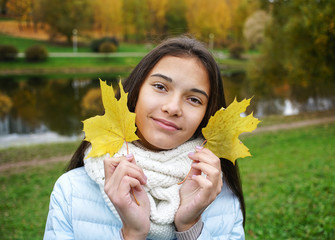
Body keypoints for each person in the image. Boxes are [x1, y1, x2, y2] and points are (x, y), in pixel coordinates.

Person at [44, 36, 246, 240]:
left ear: (207, 114)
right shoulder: (71, 191)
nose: (173, 108)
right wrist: (133, 234)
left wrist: (190, 227)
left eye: (194, 99)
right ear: (137, 90)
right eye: (160, 87)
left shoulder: (221, 198)